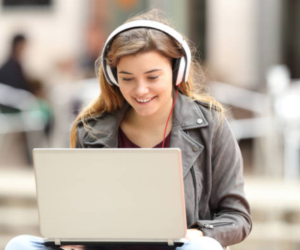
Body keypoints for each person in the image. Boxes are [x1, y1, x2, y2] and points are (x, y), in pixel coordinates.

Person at [5, 9, 252, 250]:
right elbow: (81, 212)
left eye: (152, 77)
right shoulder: (91, 130)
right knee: (19, 245)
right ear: (114, 77)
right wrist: (75, 238)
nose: (140, 90)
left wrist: (193, 234)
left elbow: (237, 218)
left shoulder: (211, 125)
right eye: (127, 78)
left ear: (177, 72)